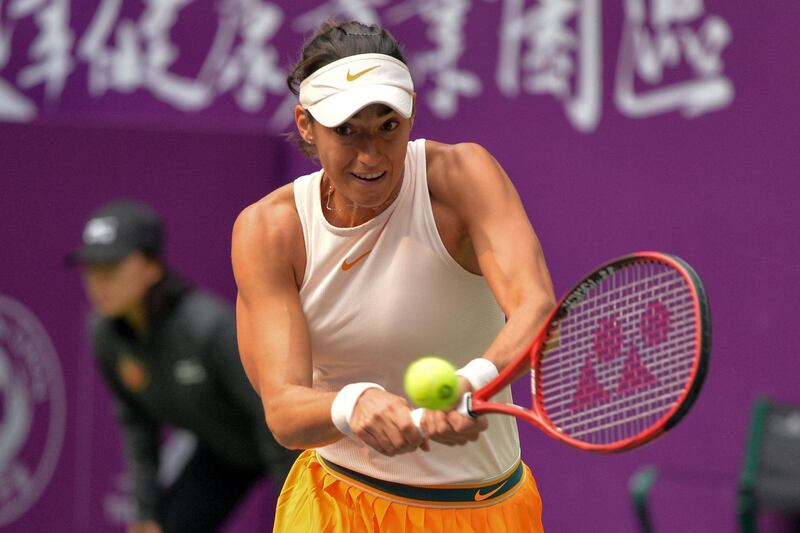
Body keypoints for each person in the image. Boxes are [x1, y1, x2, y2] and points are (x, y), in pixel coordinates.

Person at [232, 20, 556, 533]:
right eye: (347, 131)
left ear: (410, 113)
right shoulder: (270, 231)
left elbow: (536, 308)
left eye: (388, 126)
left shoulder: (461, 177)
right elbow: (284, 409)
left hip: (487, 513)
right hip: (337, 509)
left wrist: (472, 383)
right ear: (306, 124)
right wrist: (350, 403)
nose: (371, 156)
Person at [68, 200, 298, 533]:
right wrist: (145, 513)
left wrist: (295, 509)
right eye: (91, 267)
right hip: (223, 453)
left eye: (111, 266)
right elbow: (138, 425)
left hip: (285, 442)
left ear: (151, 267)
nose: (97, 281)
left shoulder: (208, 329)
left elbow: (275, 420)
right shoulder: (104, 334)